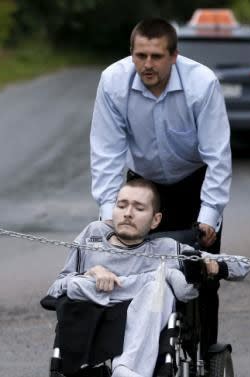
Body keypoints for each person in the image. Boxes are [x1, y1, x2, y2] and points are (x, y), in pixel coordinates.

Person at [89, 17, 232, 351]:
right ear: (131, 54)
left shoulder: (202, 84)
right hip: (144, 184)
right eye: (140, 56)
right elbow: (106, 152)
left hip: (193, 181)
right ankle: (140, 353)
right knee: (134, 270)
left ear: (174, 56)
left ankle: (203, 353)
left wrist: (210, 213)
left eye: (156, 56)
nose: (147, 65)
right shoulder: (113, 82)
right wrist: (109, 213)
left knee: (202, 275)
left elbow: (218, 155)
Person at [47, 179, 250, 377]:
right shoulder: (93, 235)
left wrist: (215, 266)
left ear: (155, 220)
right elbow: (56, 290)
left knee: (159, 285)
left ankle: (127, 369)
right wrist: (90, 273)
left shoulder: (165, 250)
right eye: (121, 205)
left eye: (139, 208)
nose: (127, 213)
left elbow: (243, 265)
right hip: (93, 324)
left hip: (143, 324)